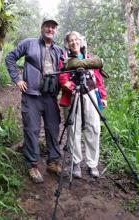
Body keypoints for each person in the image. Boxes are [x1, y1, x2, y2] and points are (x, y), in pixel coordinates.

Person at [5, 18, 63, 183]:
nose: (50, 29)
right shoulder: (29, 43)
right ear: (42, 28)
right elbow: (10, 58)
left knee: (53, 129)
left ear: (55, 31)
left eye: (53, 27)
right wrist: (17, 79)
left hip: (50, 97)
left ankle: (53, 162)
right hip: (31, 96)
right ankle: (32, 165)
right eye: (47, 26)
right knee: (31, 130)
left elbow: (65, 70)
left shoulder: (58, 51)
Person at [59, 31, 107, 178]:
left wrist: (103, 97)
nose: (74, 43)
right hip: (74, 95)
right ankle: (76, 163)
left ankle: (92, 164)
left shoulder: (90, 59)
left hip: (91, 94)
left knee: (94, 128)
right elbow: (62, 77)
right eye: (71, 41)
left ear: (81, 41)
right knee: (74, 130)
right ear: (67, 44)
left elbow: (98, 79)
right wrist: (69, 86)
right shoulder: (64, 59)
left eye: (76, 40)